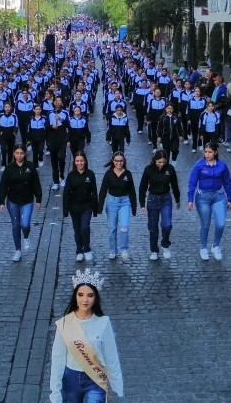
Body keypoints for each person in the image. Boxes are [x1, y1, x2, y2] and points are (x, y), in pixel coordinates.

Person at [50, 269, 124, 403]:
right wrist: (55, 392)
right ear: (75, 297)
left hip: (95, 378)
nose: (85, 299)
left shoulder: (103, 322)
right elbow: (58, 358)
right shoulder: (65, 323)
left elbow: (111, 355)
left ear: (95, 298)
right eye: (81, 295)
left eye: (90, 295)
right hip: (70, 378)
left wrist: (116, 383)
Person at [187, 143, 231, 261]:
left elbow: (227, 182)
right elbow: (192, 182)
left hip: (219, 196)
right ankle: (203, 248)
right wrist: (190, 199)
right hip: (202, 197)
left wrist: (229, 198)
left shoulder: (222, 165)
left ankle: (215, 246)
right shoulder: (199, 165)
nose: (207, 154)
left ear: (215, 152)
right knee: (205, 224)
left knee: (221, 223)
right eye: (206, 152)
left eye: (210, 152)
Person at [0, 145, 42, 262]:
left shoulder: (30, 167)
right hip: (13, 201)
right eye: (17, 153)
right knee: (15, 225)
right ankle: (18, 250)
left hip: (27, 200)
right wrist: (1, 201)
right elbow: (3, 185)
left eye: (21, 153)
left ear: (25, 154)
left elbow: (36, 184)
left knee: (25, 224)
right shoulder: (9, 168)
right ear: (13, 153)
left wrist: (38, 199)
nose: (19, 155)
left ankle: (26, 236)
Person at [138, 149, 180, 262]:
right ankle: (154, 250)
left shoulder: (170, 169)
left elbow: (175, 184)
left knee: (167, 225)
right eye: (159, 162)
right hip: (153, 200)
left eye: (163, 162)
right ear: (155, 160)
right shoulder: (148, 170)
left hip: (166, 199)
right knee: (153, 227)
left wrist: (177, 199)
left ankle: (165, 244)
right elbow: (142, 187)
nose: (161, 164)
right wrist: (142, 203)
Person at [98, 152, 137, 261]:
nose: (119, 163)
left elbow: (132, 191)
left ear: (124, 161)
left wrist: (134, 207)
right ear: (113, 161)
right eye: (116, 161)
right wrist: (100, 206)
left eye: (121, 161)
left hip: (125, 202)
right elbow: (103, 191)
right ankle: (112, 250)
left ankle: (124, 249)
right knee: (112, 228)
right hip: (112, 203)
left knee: (124, 226)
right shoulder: (108, 174)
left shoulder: (128, 174)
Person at [62, 152, 99, 262]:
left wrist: (96, 208)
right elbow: (66, 193)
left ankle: (87, 248)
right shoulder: (71, 175)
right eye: (77, 161)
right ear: (74, 162)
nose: (79, 163)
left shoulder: (90, 174)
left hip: (87, 206)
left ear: (85, 161)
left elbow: (94, 191)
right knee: (77, 229)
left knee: (85, 227)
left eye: (81, 161)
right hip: (74, 207)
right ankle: (79, 250)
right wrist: (65, 209)